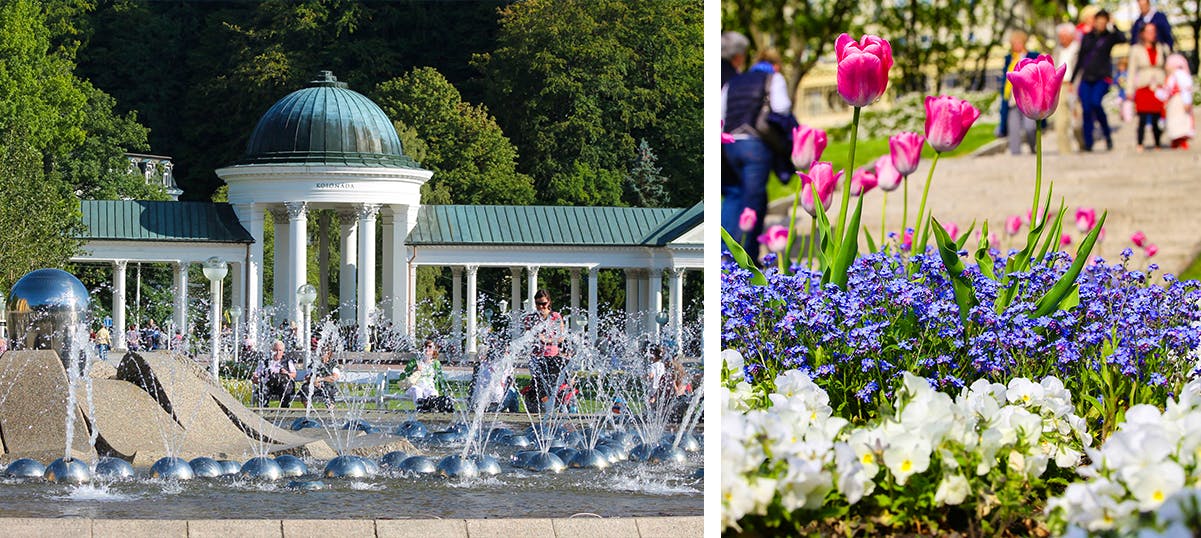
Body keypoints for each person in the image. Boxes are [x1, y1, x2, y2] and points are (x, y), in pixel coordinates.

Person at [721, 48, 793, 258]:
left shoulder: (735, 81)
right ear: (776, 65)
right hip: (756, 146)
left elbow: (721, 112)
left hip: (731, 145)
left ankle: (724, 251)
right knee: (753, 201)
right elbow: (782, 107)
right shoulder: (773, 78)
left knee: (735, 195)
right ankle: (746, 258)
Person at [1071, 10, 1125, 152]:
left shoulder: (1109, 37)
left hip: (1102, 78)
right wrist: (1072, 80)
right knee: (1086, 109)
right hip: (1086, 78)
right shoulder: (1087, 37)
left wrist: (1114, 25)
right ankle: (1088, 143)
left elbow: (1123, 38)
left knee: (1096, 103)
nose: (1101, 24)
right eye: (1099, 21)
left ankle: (1107, 135)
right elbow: (1081, 58)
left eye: (1104, 22)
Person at [523, 290, 566, 414]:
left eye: (544, 303)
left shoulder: (555, 317)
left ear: (549, 302)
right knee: (539, 383)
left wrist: (546, 339)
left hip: (552, 355)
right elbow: (526, 337)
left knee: (552, 385)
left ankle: (555, 408)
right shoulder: (531, 318)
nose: (541, 307)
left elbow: (561, 338)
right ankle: (547, 407)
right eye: (538, 304)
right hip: (536, 357)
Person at [1127, 23, 1169, 151]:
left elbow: (1167, 68)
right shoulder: (1136, 50)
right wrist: (1129, 90)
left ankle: (1157, 142)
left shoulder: (1163, 48)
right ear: (1143, 34)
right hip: (1143, 85)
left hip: (1158, 85)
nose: (1152, 34)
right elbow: (1132, 70)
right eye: (1149, 31)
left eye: (1153, 31)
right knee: (1142, 117)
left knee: (1157, 116)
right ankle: (1140, 142)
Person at [999, 30, 1040, 155]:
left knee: (1030, 127)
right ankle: (1016, 155)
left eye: (1019, 42)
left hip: (1028, 98)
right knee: (1013, 129)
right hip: (1012, 100)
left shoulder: (1032, 56)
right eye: (1014, 42)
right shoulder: (1009, 59)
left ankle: (1033, 148)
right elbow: (1006, 80)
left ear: (1024, 42)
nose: (1016, 44)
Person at [1052, 23, 1081, 154]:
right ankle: (1064, 152)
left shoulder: (1079, 49)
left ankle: (1083, 144)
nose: (1061, 39)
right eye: (1060, 36)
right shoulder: (1057, 50)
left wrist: (1075, 85)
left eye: (1064, 36)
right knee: (1060, 122)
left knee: (1077, 121)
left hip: (1074, 85)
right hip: (1059, 86)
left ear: (1071, 35)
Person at [404, 337, 451, 412]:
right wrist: (414, 370)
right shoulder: (415, 362)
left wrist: (446, 391)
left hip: (428, 387)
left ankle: (431, 411)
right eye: (425, 346)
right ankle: (419, 409)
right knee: (417, 390)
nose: (427, 348)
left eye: (430, 347)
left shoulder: (436, 363)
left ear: (434, 350)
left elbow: (440, 378)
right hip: (414, 387)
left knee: (432, 392)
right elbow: (403, 375)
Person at [1159, 53, 1194, 149]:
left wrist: (1187, 101)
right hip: (1173, 102)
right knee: (1174, 121)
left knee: (1180, 120)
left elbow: (1185, 90)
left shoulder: (1179, 75)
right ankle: (1176, 140)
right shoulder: (1173, 76)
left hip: (1179, 101)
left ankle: (1181, 140)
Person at [252, 340, 297, 407]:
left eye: (280, 350)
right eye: (275, 350)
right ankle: (263, 411)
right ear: (272, 350)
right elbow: (255, 376)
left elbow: (294, 375)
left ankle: (284, 410)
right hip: (270, 385)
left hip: (283, 386)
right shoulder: (265, 362)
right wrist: (255, 377)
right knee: (263, 389)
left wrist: (286, 373)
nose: (277, 353)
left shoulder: (287, 361)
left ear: (283, 351)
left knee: (285, 387)